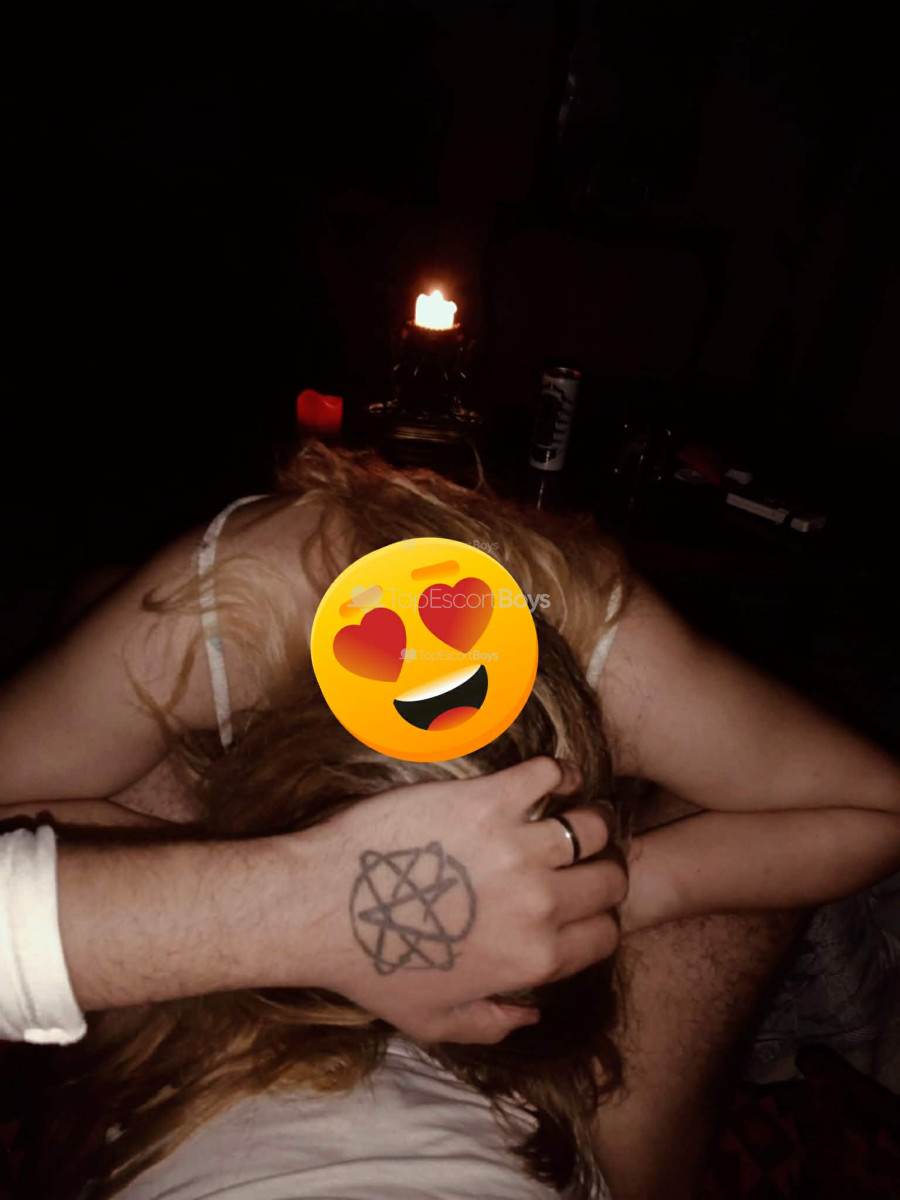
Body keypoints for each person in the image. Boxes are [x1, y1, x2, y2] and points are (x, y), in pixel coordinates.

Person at [2, 443, 899, 1198]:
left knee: (101, 608)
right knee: (106, 604)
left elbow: (878, 807)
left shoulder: (590, 630)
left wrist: (602, 891)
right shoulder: (223, 617)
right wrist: (280, 904)